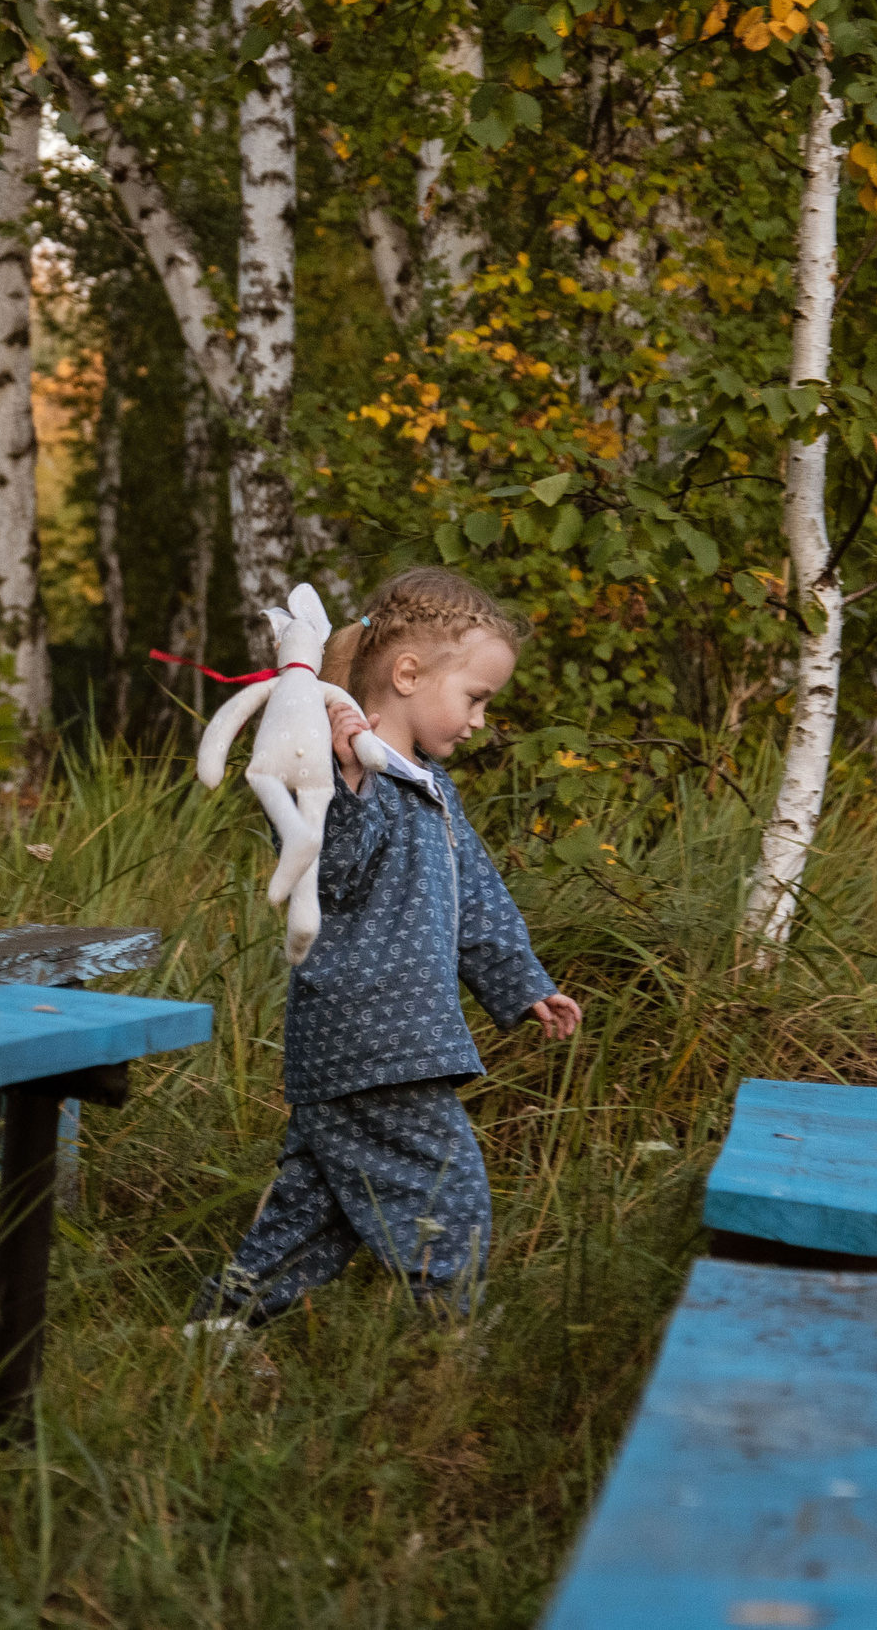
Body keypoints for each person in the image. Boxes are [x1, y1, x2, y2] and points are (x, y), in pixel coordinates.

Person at [191, 567, 583, 1331]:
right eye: (474, 697)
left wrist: (520, 980)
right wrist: (342, 778)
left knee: (317, 1211)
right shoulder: (332, 773)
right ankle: (448, 1344)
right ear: (408, 673)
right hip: (372, 1035)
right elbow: (328, 869)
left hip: (371, 1046)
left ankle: (219, 1329)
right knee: (446, 1190)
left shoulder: (429, 786)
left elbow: (477, 897)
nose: (478, 720)